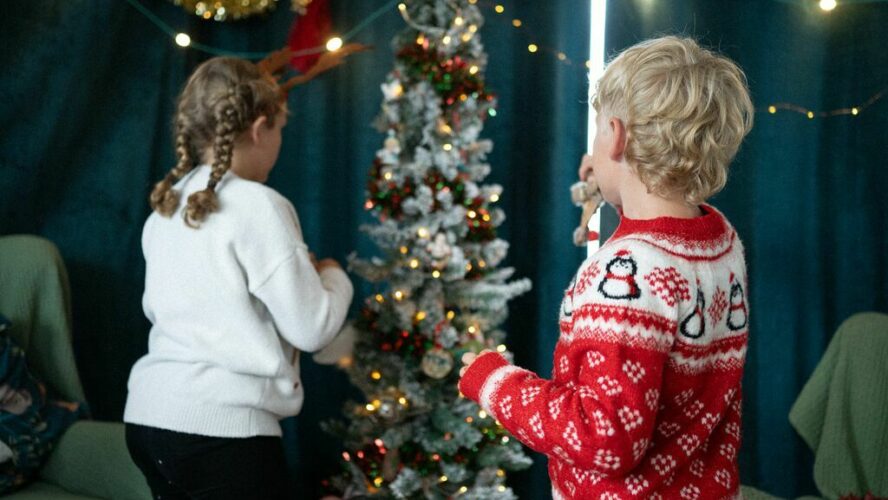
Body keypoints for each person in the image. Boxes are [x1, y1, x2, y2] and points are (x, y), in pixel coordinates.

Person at [458, 36, 754, 499]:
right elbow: (658, 248)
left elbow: (604, 439)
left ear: (614, 135)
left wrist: (495, 381)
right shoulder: (721, 241)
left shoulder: (624, 278)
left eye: (598, 129)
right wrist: (613, 179)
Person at [123, 55, 354, 499]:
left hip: (149, 421)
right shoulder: (259, 205)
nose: (280, 141)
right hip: (223, 433)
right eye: (281, 129)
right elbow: (312, 328)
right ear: (258, 127)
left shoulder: (167, 208)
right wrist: (334, 278)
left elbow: (184, 308)